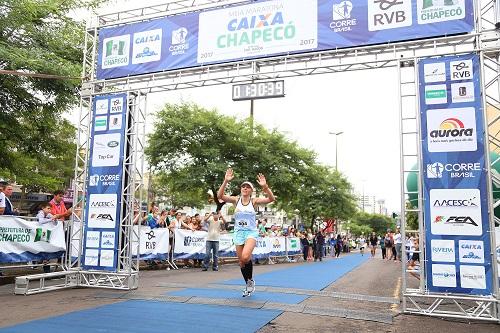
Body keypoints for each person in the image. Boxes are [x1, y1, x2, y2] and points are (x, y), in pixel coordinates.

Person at [217, 168, 275, 297]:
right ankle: (248, 283)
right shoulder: (235, 200)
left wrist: (266, 187)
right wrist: (225, 181)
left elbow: (271, 199)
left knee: (245, 257)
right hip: (238, 232)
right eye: (243, 186)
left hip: (251, 232)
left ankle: (250, 281)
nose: (245, 188)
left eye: (248, 187)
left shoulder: (254, 201)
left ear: (251, 190)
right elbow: (220, 196)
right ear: (241, 189)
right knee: (241, 261)